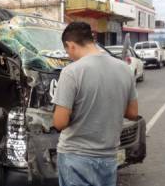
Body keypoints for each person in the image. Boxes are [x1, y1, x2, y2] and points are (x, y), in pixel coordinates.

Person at [52, 22, 138, 186]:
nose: (69, 56)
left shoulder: (71, 72)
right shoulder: (124, 69)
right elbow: (132, 113)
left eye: (67, 51)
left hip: (75, 157)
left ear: (71, 45)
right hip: (108, 157)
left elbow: (60, 122)